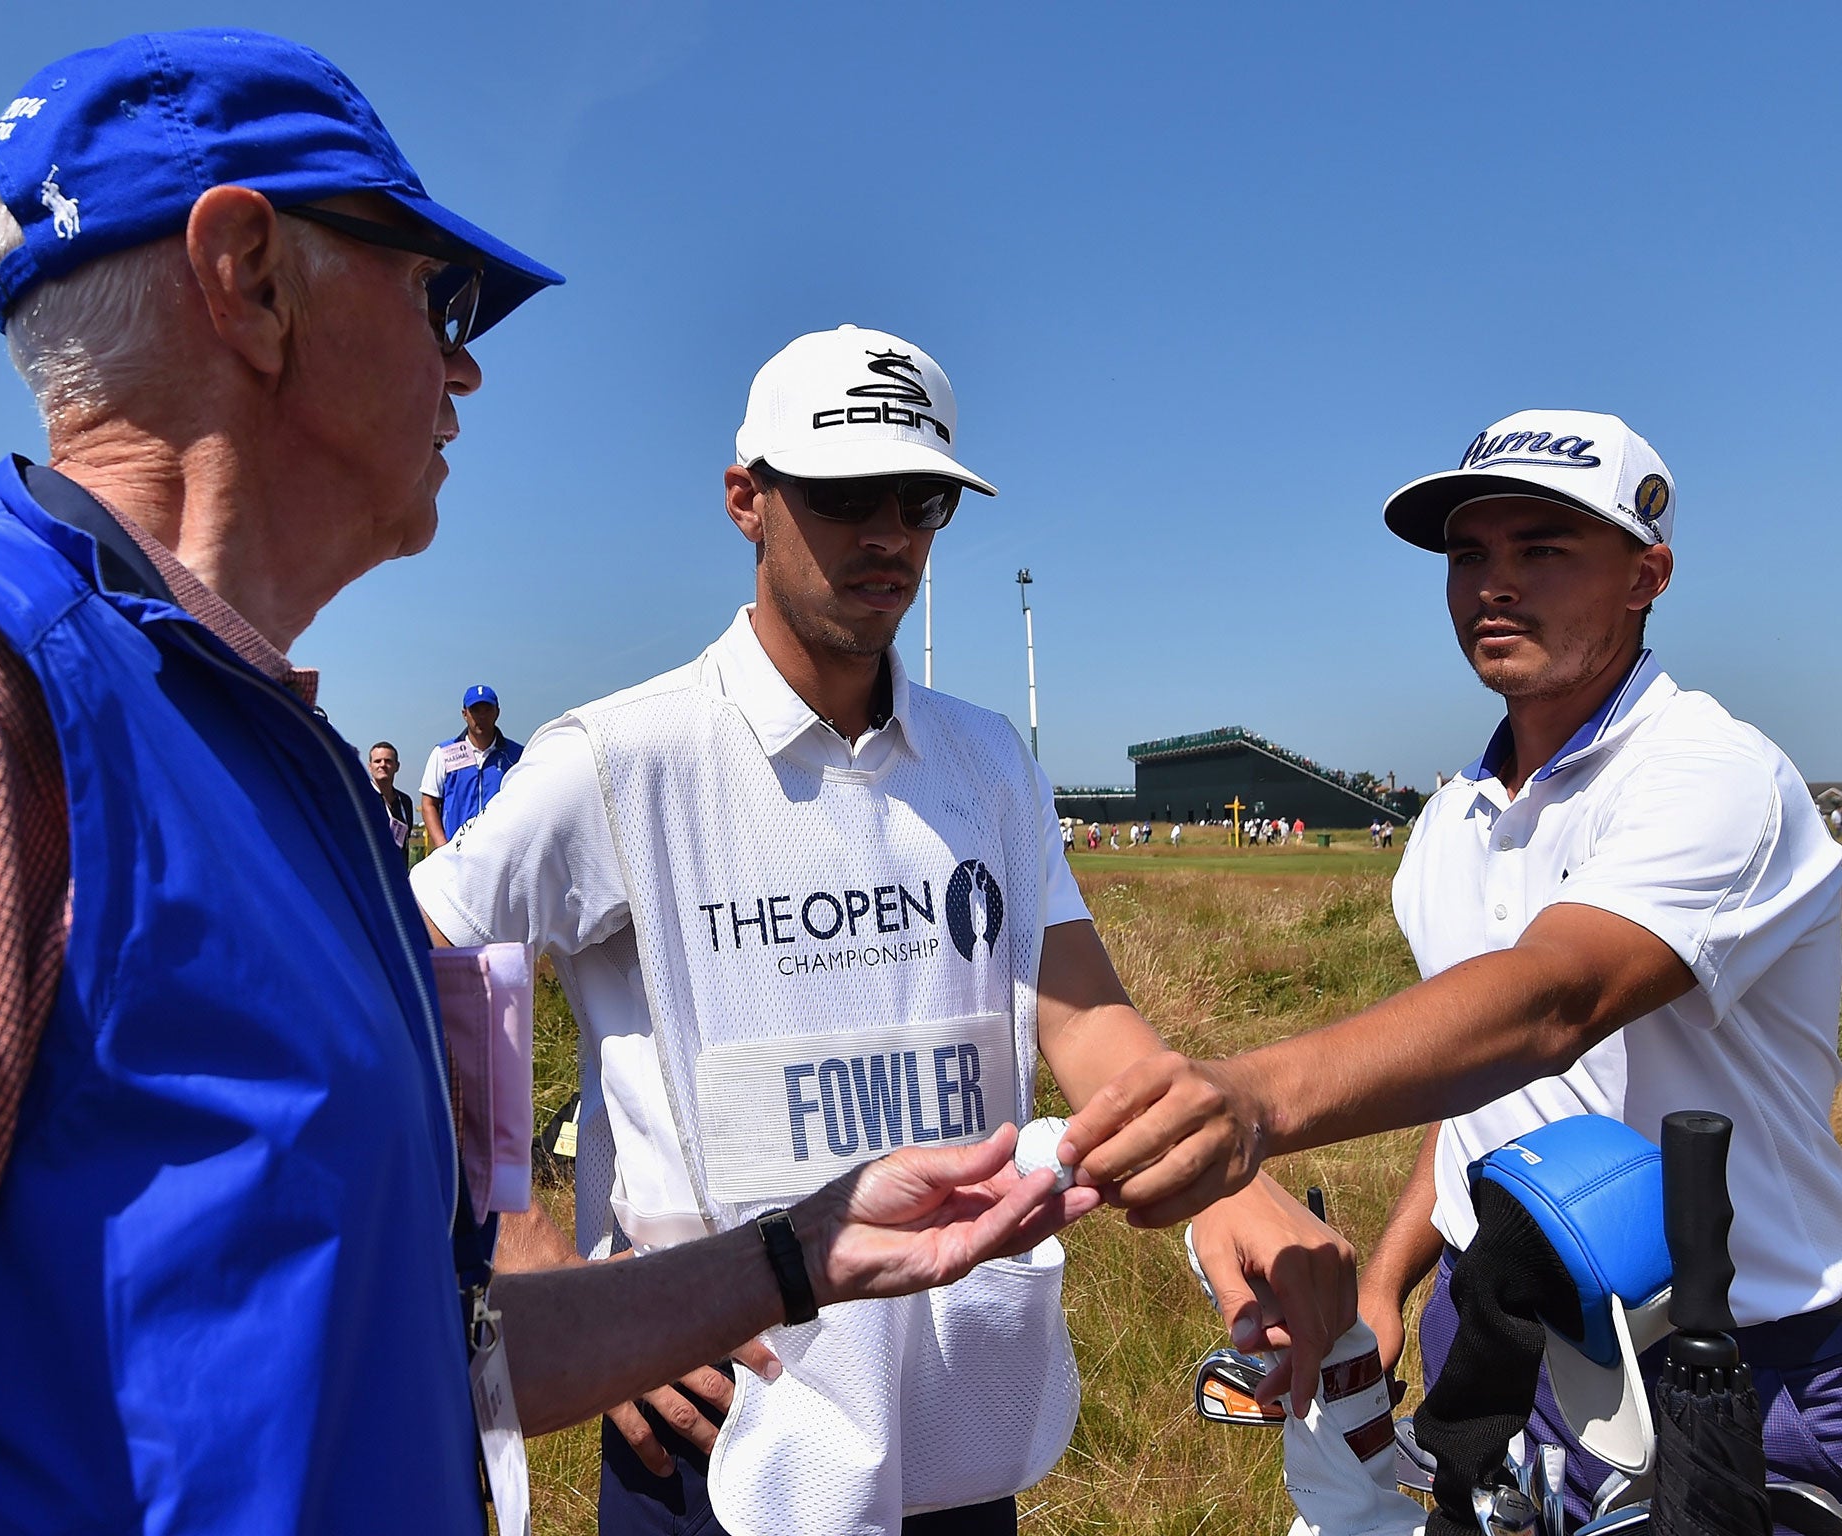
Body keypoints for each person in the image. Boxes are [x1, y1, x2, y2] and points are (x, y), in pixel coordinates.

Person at [0, 37, 1098, 1534]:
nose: (468, 363)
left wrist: (797, 1254)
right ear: (252, 281)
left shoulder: (277, 765)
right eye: (438, 295)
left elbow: (402, 1335)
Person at [411, 324, 1354, 1536]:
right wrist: (535, 1266)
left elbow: (1085, 1016)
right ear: (746, 500)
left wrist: (1225, 1179)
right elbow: (419, 951)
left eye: (920, 500)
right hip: (717, 1422)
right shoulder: (622, 758)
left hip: (954, 1407)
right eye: (845, 492)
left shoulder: (987, 763)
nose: (888, 536)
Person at [1050, 409, 1842, 1517]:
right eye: (1468, 553)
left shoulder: (1712, 773)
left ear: (1643, 576)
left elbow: (1552, 1003)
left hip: (1731, 1356)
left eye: (1542, 549)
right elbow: (1487, 1082)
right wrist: (1384, 1281)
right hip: (1495, 1332)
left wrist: (1250, 1101)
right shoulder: (1449, 822)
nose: (1492, 584)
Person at [420, 683, 523, 848]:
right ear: (465, 714)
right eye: (475, 710)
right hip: (458, 854)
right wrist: (443, 848)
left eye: (487, 709)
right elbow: (429, 803)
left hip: (502, 852)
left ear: (497, 712)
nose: (481, 716)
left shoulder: (517, 755)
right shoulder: (443, 753)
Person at [369, 740, 415, 851]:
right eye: (377, 761)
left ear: (397, 766)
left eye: (388, 761)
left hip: (399, 866)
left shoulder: (405, 801)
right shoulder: (361, 799)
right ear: (370, 767)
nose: (383, 765)